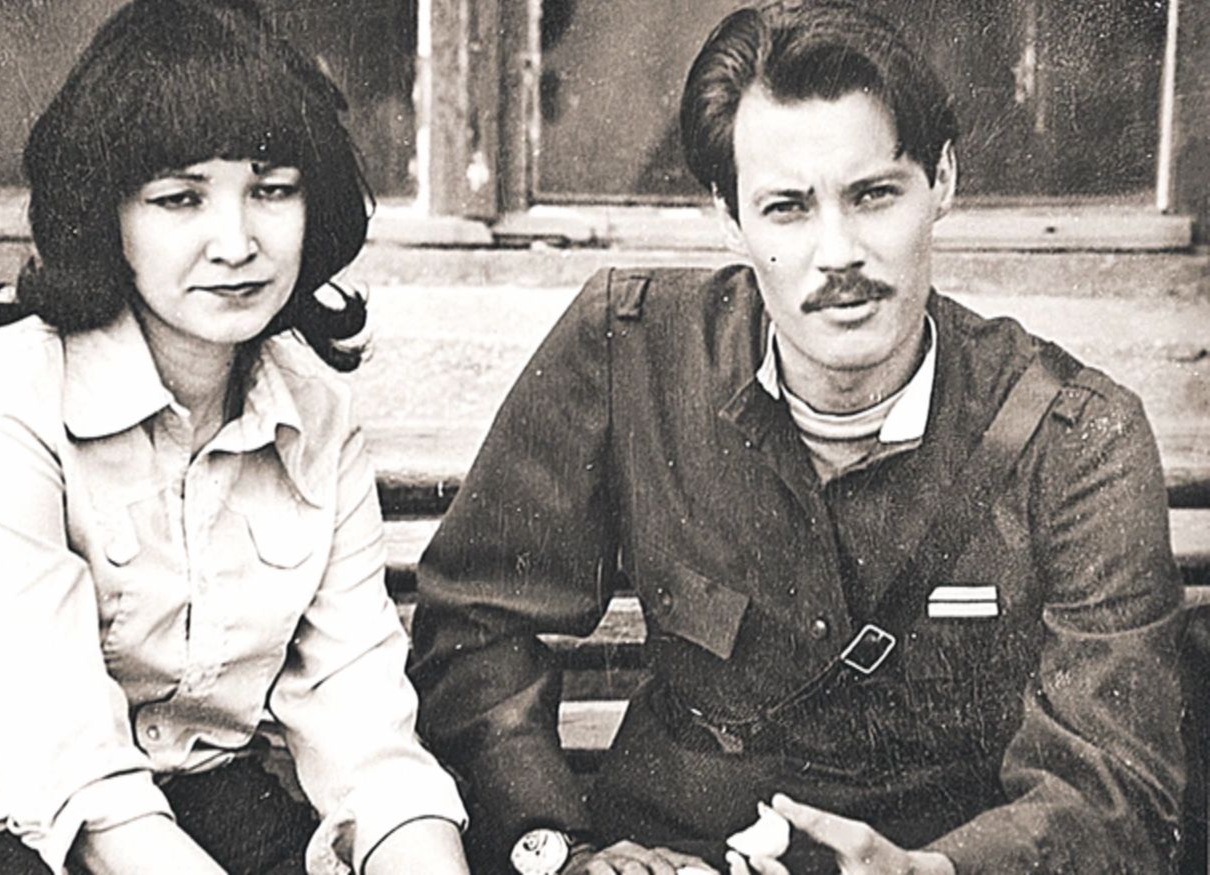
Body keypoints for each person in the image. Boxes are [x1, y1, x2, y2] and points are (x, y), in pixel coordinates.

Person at [408, 2, 1185, 873]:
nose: (837, 252)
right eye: (786, 208)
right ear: (729, 217)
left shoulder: (1076, 437)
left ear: (943, 181)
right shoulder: (628, 347)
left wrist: (935, 870)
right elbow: (472, 624)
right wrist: (562, 849)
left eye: (873, 194)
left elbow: (1114, 784)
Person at [0, 2, 468, 873]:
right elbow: (85, 792)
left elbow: (366, 738)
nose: (235, 243)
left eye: (271, 190)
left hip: (199, 806)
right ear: (107, 213)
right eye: (179, 198)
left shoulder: (315, 414)